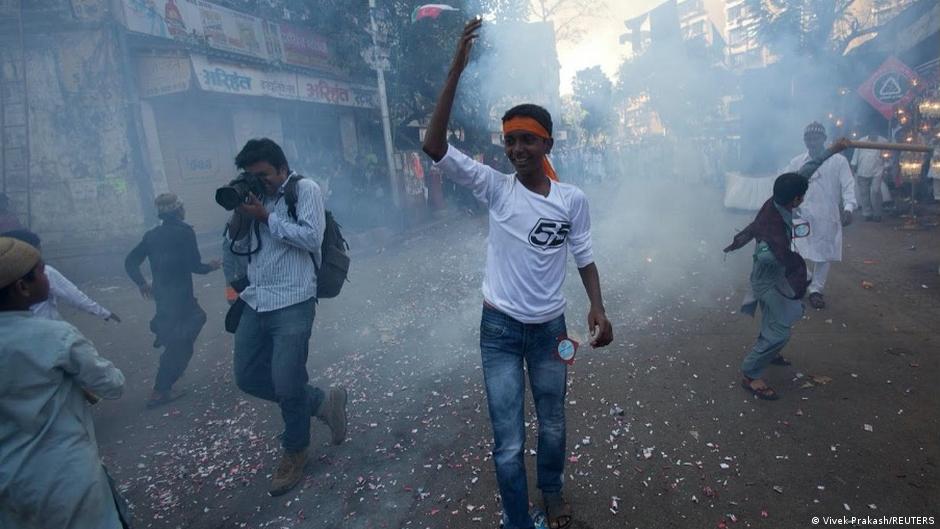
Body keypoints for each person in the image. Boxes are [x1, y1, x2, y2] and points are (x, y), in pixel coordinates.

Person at [422, 19, 614, 529]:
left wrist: (596, 306)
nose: (517, 149)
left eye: (527, 139)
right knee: (507, 440)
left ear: (547, 144)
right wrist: (454, 73)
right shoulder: (494, 188)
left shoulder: (573, 200)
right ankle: (517, 520)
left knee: (552, 425)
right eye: (510, 141)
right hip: (500, 332)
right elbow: (434, 146)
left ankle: (551, 493)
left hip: (551, 332)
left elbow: (585, 256)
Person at [227, 138, 348, 497]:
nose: (258, 181)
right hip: (256, 298)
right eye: (251, 175)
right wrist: (240, 210)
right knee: (247, 376)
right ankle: (320, 403)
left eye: (263, 174)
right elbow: (235, 243)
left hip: (294, 300)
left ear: (281, 168)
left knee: (286, 379)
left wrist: (267, 217)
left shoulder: (304, 189)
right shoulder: (254, 197)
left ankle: (295, 450)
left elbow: (311, 237)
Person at [0, 237, 127, 529]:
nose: (48, 276)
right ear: (22, 287)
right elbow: (112, 384)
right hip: (66, 476)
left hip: (8, 482)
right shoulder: (57, 336)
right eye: (43, 271)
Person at [726, 140, 849, 399]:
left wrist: (833, 150)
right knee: (780, 332)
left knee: (775, 318)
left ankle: (769, 352)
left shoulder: (780, 198)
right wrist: (794, 266)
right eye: (801, 196)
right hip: (769, 280)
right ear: (796, 198)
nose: (803, 198)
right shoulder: (772, 225)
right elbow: (766, 255)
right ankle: (751, 373)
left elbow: (807, 169)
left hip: (774, 278)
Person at [125, 193, 220, 409]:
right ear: (179, 210)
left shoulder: (151, 236)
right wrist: (211, 266)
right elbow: (195, 265)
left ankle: (165, 339)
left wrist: (142, 283)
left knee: (178, 336)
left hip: (163, 297)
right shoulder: (184, 232)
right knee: (182, 343)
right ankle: (160, 389)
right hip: (181, 297)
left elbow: (130, 261)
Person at [783, 122, 857, 310]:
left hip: (827, 215)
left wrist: (848, 207)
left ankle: (816, 290)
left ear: (824, 139)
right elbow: (786, 183)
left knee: (823, 254)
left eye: (815, 138)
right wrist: (789, 203)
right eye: (808, 138)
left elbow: (848, 185)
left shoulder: (838, 161)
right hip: (801, 214)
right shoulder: (797, 162)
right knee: (794, 251)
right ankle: (808, 280)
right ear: (804, 140)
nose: (812, 141)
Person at [2, 229, 121, 323]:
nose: (40, 254)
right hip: (45, 331)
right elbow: (73, 295)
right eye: (37, 249)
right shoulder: (44, 272)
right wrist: (103, 312)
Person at [850, 133, 888, 222]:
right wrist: (853, 169)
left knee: (875, 191)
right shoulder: (861, 141)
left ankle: (877, 213)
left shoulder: (883, 141)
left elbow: (886, 156)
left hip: (877, 171)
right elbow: (855, 157)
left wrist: (886, 168)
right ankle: (867, 213)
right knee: (864, 193)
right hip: (862, 170)